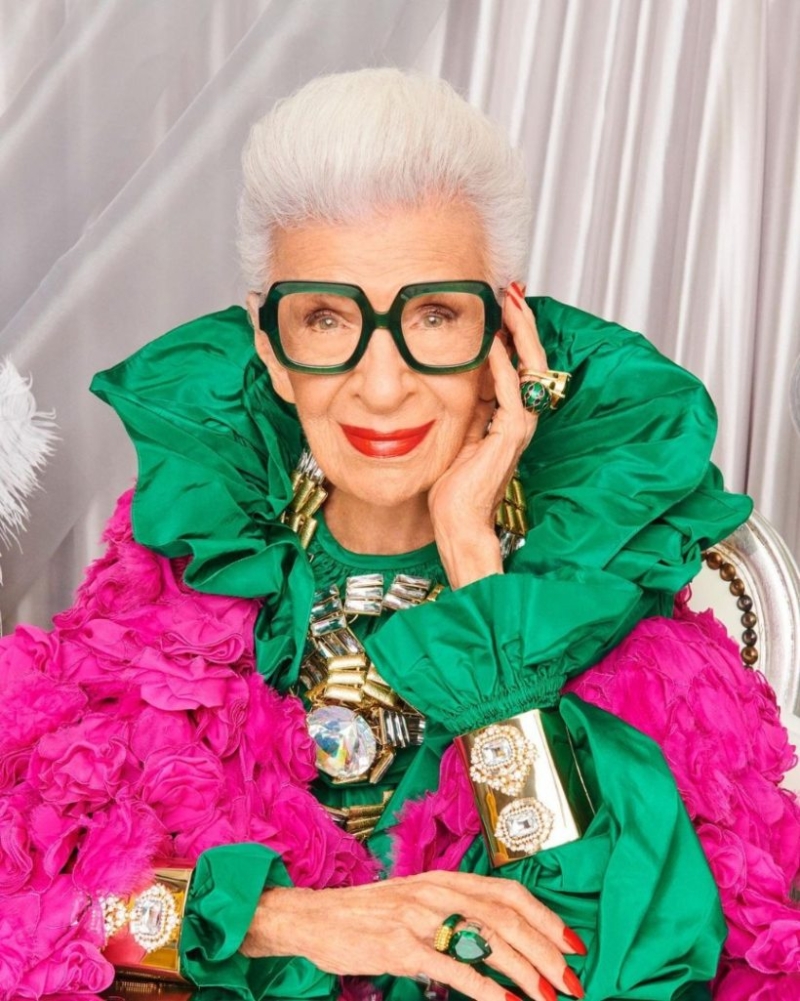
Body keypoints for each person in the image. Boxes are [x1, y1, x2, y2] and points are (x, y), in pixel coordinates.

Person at [0, 69, 797, 1001]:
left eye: (434, 315)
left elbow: (609, 966)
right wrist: (285, 919)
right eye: (326, 318)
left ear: (504, 330)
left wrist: (477, 571)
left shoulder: (593, 581)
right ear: (271, 347)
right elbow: (45, 917)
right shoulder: (185, 579)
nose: (382, 388)